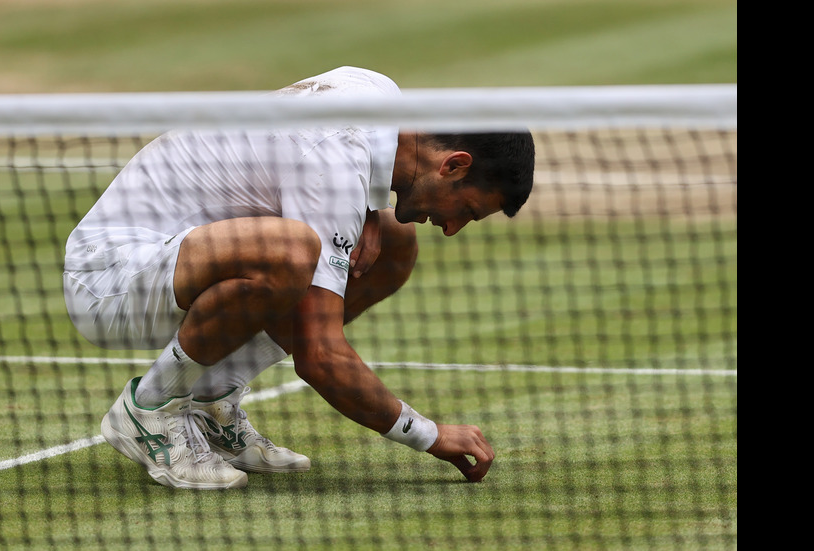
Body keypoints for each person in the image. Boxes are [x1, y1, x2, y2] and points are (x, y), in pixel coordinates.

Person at [62, 66, 535, 489]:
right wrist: (428, 435)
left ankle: (211, 400)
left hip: (175, 265)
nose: (452, 228)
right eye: (467, 211)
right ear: (453, 164)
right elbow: (320, 356)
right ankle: (151, 408)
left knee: (394, 242)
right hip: (110, 282)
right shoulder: (334, 164)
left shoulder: (377, 93)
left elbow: (346, 164)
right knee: (290, 252)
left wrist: (370, 210)